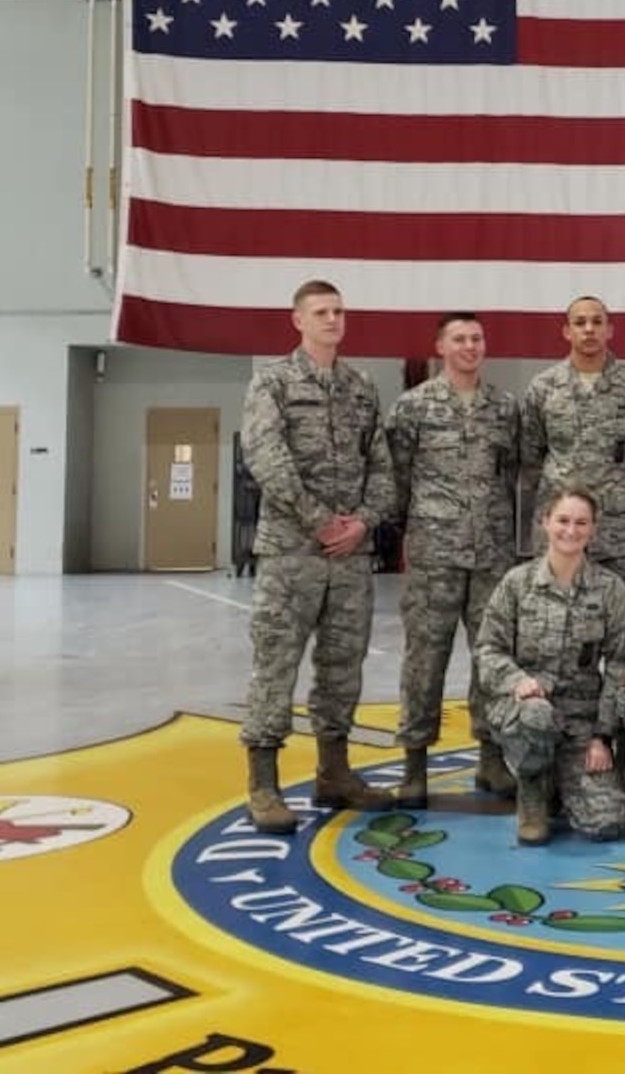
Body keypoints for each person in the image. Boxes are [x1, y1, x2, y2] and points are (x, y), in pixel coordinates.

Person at [238, 280, 399, 834]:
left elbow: (381, 465)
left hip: (349, 557)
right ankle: (263, 783)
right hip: (291, 554)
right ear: (298, 320)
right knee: (275, 666)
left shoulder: (360, 388)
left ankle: (334, 772)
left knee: (342, 667)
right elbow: (265, 456)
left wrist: (363, 523)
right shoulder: (274, 383)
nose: (333, 320)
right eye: (321, 312)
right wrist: (318, 520)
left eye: (338, 311)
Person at [386, 312, 522, 804]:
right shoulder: (413, 407)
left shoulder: (505, 409)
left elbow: (511, 477)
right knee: (425, 660)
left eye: (477, 338)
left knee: (491, 659)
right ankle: (415, 765)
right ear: (440, 347)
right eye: (459, 339)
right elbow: (397, 479)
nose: (470, 346)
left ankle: (490, 759)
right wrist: (416, 532)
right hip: (433, 556)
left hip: (491, 554)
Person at [475, 488, 625, 845]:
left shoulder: (611, 590)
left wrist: (602, 737)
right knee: (536, 716)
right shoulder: (516, 584)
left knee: (608, 823)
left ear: (593, 529)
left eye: (581, 523)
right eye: (563, 520)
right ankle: (532, 792)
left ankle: (561, 783)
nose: (571, 531)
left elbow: (619, 665)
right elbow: (487, 649)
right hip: (523, 710)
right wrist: (516, 680)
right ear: (545, 522)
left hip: (580, 721)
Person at [517, 296, 625, 587]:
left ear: (610, 330)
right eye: (580, 322)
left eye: (597, 322)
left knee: (619, 621)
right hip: (560, 531)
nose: (589, 329)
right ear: (567, 332)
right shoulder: (544, 387)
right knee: (555, 620)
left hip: (618, 534)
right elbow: (531, 460)